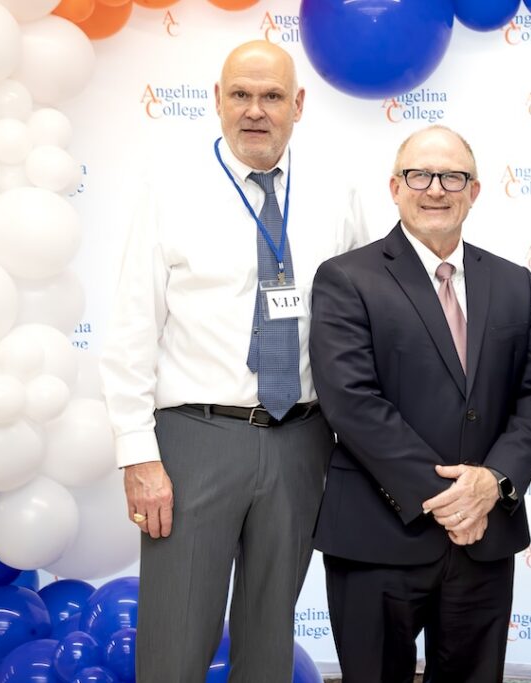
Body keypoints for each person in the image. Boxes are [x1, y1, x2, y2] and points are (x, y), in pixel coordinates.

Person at [99, 41, 367, 682]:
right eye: (240, 95)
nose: (255, 110)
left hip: (303, 439)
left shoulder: (335, 193)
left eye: (272, 96)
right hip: (195, 441)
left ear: (297, 105)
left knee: (269, 638)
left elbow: (362, 321)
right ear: (217, 101)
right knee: (175, 640)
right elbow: (132, 328)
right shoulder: (170, 191)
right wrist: (139, 456)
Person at [308, 125, 531, 683]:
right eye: (420, 175)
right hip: (377, 538)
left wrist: (492, 482)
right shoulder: (347, 277)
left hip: (484, 540)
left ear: (475, 190)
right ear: (395, 187)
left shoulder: (515, 283)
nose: (436, 189)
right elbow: (351, 402)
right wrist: (450, 496)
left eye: (453, 177)